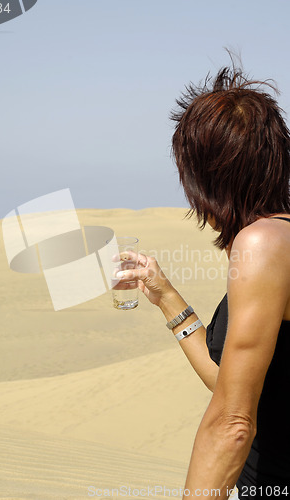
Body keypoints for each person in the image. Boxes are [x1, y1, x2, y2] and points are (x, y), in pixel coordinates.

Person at [115, 61, 290, 499]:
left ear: (210, 178)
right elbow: (232, 382)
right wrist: (166, 296)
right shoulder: (280, 236)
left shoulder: (262, 243)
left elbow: (232, 422)